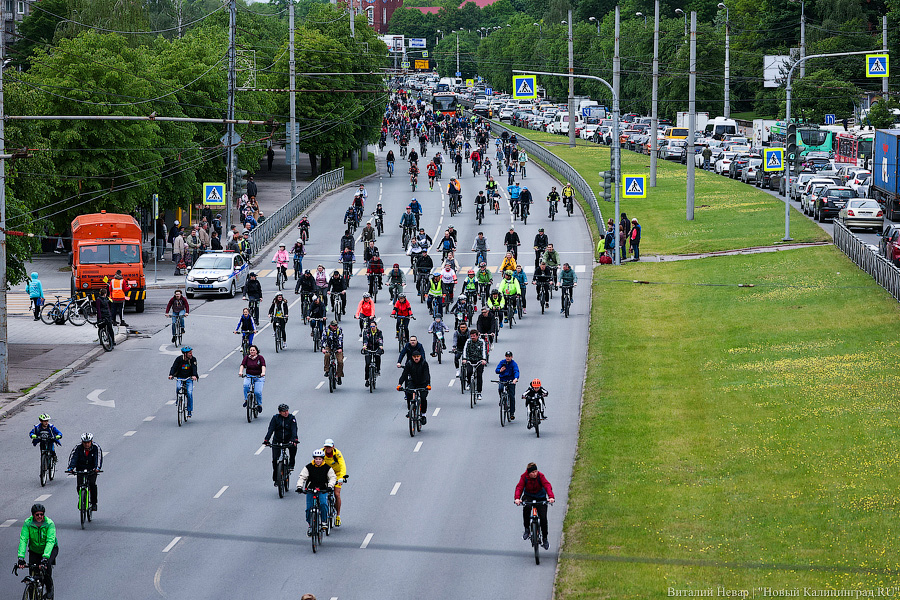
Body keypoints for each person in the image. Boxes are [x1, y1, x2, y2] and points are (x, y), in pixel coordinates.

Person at [17, 504, 58, 599]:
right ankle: (32, 593)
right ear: (33, 515)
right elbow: (23, 540)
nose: (40, 516)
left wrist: (45, 557)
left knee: (46, 567)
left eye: (41, 514)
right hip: (34, 550)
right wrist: (20, 557)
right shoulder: (28, 523)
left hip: (50, 549)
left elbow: (50, 541)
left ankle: (49, 588)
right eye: (37, 514)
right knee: (32, 571)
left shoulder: (49, 523)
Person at [296, 449, 337, 536]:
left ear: (323, 459)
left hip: (323, 489)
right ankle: (310, 525)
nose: (318, 461)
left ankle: (323, 521)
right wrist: (299, 487)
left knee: (323, 504)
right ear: (314, 459)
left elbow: (332, 477)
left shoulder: (327, 468)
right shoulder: (308, 467)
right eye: (316, 459)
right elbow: (302, 477)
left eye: (320, 459)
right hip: (311, 490)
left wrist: (330, 486)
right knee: (308, 509)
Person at [514, 462, 555, 550]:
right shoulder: (524, 477)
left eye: (536, 471)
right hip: (528, 496)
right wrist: (517, 498)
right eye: (532, 472)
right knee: (526, 508)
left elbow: (547, 485)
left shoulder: (541, 476)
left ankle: (545, 538)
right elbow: (519, 487)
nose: (534, 474)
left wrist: (551, 497)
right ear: (528, 473)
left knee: (543, 518)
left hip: (540, 497)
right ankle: (527, 529)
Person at [66, 432, 102, 511]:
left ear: (91, 441)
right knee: (79, 485)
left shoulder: (96, 447)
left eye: (88, 442)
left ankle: (93, 503)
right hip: (81, 468)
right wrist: (71, 468)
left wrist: (97, 468)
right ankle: (81, 498)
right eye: (85, 443)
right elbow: (73, 457)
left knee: (92, 484)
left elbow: (98, 458)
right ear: (82, 442)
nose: (86, 445)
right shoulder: (78, 447)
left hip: (92, 469)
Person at [264, 404, 298, 484]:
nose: (286, 413)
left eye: (287, 411)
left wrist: (294, 439)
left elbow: (294, 429)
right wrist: (266, 439)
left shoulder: (291, 418)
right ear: (280, 412)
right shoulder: (275, 418)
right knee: (275, 459)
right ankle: (276, 478)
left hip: (288, 440)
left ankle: (291, 464)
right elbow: (271, 429)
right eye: (284, 411)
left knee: (293, 448)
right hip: (277, 440)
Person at [398, 351, 431, 425]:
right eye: (414, 357)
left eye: (418, 356)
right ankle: (410, 410)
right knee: (408, 394)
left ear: (420, 356)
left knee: (423, 398)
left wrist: (428, 384)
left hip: (423, 383)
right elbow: (404, 374)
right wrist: (400, 384)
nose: (416, 358)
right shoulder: (409, 363)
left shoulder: (424, 363)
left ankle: (423, 415)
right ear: (412, 357)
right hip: (413, 382)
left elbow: (427, 374)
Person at [321, 440, 347, 526]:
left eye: (329, 447)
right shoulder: (321, 453)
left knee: (337, 494)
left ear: (333, 447)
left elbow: (342, 465)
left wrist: (342, 477)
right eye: (326, 447)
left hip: (337, 474)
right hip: (326, 474)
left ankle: (338, 516)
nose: (328, 449)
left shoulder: (337, 454)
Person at [168, 346, 198, 417]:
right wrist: (171, 375)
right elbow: (174, 367)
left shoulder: (193, 359)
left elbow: (194, 368)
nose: (191, 354)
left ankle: (189, 410)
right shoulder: (179, 359)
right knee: (178, 387)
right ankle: (178, 399)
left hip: (189, 378)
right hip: (180, 377)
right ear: (185, 354)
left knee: (189, 393)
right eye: (189, 353)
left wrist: (194, 376)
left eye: (191, 353)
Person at [462, 329, 487, 400]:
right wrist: (464, 358)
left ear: (477, 336)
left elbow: (484, 351)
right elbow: (465, 350)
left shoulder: (481, 342)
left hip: (479, 361)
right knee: (469, 371)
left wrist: (484, 360)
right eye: (471, 336)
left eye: (474, 336)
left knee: (479, 375)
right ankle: (469, 383)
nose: (472, 337)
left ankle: (479, 392)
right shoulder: (468, 342)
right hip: (470, 360)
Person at [239, 345, 266, 411]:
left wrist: (263, 373)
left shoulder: (260, 358)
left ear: (256, 351)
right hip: (249, 376)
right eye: (251, 350)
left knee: (257, 392)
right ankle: (246, 400)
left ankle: (259, 404)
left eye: (253, 350)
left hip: (258, 377)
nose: (252, 351)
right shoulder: (246, 358)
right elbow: (242, 365)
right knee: (245, 386)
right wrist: (240, 372)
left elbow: (263, 366)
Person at [495, 350, 519, 420]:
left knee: (512, 396)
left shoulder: (514, 364)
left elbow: (516, 371)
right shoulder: (502, 362)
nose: (508, 358)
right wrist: (500, 370)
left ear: (512, 357)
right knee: (500, 389)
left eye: (509, 356)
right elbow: (497, 370)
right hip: (503, 380)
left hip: (511, 381)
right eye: (507, 356)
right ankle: (501, 399)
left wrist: (515, 379)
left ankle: (512, 413)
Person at [322, 320, 344, 385]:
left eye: (336, 325)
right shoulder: (326, 330)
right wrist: (323, 348)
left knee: (340, 361)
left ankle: (339, 375)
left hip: (337, 347)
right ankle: (327, 370)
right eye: (334, 326)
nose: (335, 327)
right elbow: (323, 339)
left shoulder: (339, 330)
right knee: (327, 355)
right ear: (330, 325)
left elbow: (340, 339)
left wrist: (340, 348)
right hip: (329, 346)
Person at [362, 321, 384, 385]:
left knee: (377, 356)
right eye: (371, 326)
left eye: (373, 326)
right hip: (368, 348)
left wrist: (381, 345)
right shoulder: (366, 332)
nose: (372, 328)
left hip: (376, 348)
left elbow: (380, 339)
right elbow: (365, 339)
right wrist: (365, 345)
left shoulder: (379, 332)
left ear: (376, 326)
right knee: (367, 363)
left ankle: (378, 369)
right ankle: (367, 379)